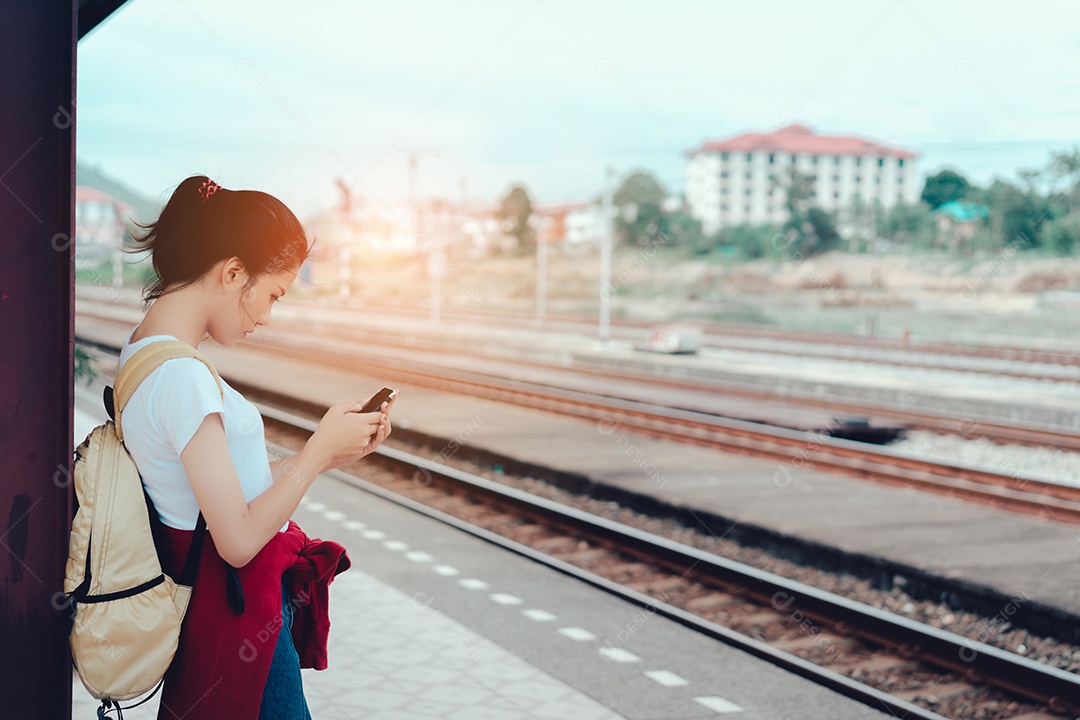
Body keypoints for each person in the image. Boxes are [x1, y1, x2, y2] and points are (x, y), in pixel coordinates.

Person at [117, 175, 391, 719]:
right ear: (233, 272)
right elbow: (238, 540)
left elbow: (219, 494)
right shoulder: (183, 377)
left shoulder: (143, 353)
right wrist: (315, 454)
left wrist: (329, 454)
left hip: (230, 612)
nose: (266, 317)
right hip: (242, 615)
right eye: (272, 295)